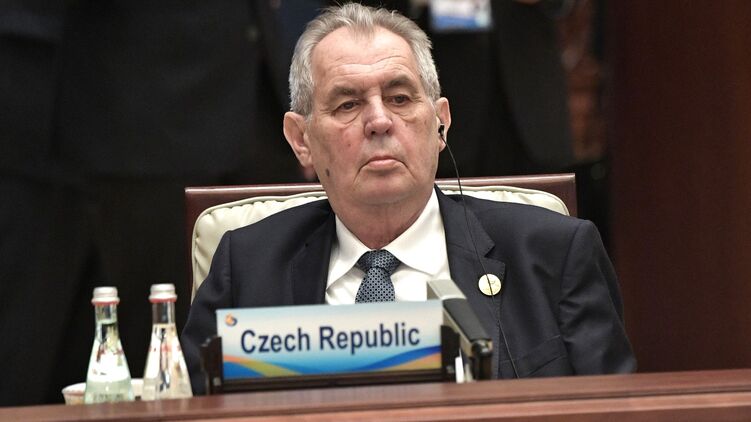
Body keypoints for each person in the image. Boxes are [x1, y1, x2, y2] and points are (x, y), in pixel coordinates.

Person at [182, 3, 635, 395]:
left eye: (399, 98)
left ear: (440, 124)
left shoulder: (552, 255)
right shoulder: (247, 267)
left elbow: (612, 412)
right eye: (348, 105)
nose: (379, 121)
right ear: (301, 140)